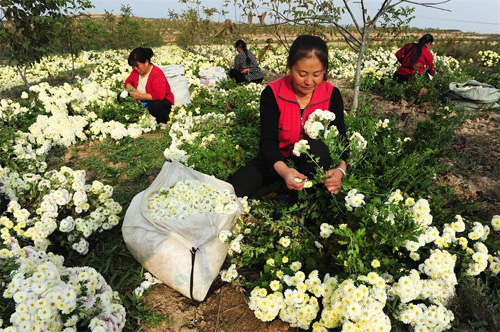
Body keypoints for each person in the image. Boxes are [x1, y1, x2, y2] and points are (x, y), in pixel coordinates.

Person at [230, 35, 348, 199]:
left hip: (313, 162)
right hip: (279, 160)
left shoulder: (332, 95)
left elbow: (341, 140)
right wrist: (284, 171)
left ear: (324, 71)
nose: (308, 81)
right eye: (302, 73)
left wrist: (340, 170)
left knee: (318, 149)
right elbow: (268, 140)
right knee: (234, 190)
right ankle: (284, 184)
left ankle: (298, 193)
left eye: (316, 74)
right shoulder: (272, 93)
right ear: (290, 66)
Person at [124, 47, 175, 124]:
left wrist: (139, 96)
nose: (135, 68)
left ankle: (163, 120)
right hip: (141, 102)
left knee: (155, 105)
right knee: (122, 96)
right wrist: (131, 89)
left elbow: (159, 95)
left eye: (137, 66)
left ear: (146, 62)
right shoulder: (135, 72)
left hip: (160, 103)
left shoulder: (156, 74)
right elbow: (128, 82)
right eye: (133, 66)